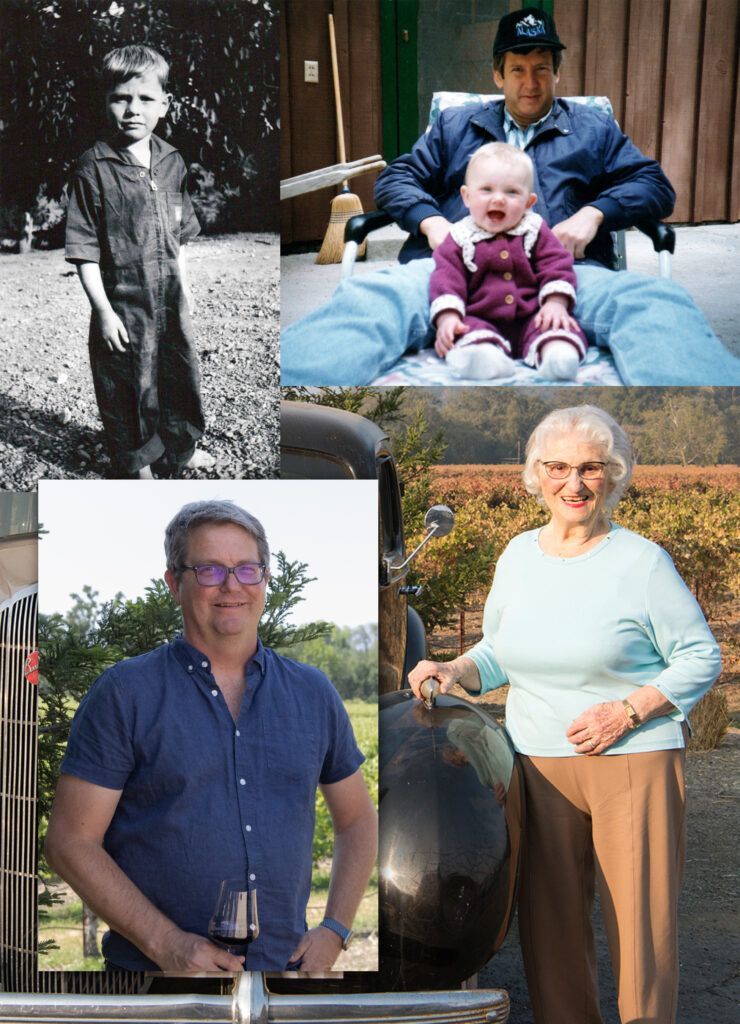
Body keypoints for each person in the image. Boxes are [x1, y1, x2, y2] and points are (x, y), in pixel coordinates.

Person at [408, 405, 722, 1024]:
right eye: (558, 467)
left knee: (640, 929)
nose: (573, 484)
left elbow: (701, 655)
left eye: (590, 468)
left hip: (632, 760)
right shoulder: (519, 555)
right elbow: (498, 653)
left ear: (613, 475)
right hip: (537, 763)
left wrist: (628, 710)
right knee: (549, 930)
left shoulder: (642, 561)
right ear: (537, 474)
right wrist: (453, 671)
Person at [281, 7, 740, 386]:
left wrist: (596, 213)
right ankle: (303, 416)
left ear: (557, 73)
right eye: (518, 69)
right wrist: (431, 222)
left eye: (542, 68)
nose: (531, 82)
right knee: (370, 296)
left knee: (655, 301)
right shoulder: (455, 125)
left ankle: (713, 431)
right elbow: (398, 178)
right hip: (449, 273)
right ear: (498, 75)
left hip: (564, 276)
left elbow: (655, 185)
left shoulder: (592, 129)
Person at [45, 500, 378, 973]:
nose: (231, 586)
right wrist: (167, 944)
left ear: (264, 579)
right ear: (174, 584)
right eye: (208, 570)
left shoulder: (313, 693)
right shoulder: (125, 693)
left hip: (284, 977)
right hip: (155, 985)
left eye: (246, 569)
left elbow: (358, 822)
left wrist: (337, 930)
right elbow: (69, 842)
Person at [65, 45, 211, 479]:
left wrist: (185, 289)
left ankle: (180, 450)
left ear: (164, 106)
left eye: (145, 99)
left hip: (169, 298)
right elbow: (84, 250)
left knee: (178, 374)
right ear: (105, 101)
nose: (133, 109)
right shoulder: (92, 167)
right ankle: (138, 464)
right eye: (121, 98)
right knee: (129, 383)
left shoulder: (172, 162)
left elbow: (179, 236)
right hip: (123, 304)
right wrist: (104, 312)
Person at [431, 142, 587, 380]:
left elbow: (557, 265)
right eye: (486, 189)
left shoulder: (534, 230)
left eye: (512, 192)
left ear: (528, 202)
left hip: (532, 315)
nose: (499, 199)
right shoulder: (459, 238)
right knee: (466, 334)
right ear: (467, 196)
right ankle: (486, 360)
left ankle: (556, 357)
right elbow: (446, 279)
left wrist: (555, 302)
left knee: (557, 327)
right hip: (479, 317)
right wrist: (448, 317)